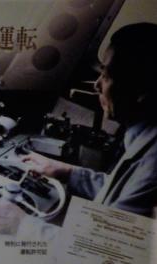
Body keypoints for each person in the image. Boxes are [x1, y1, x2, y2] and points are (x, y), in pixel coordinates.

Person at [22, 23, 157, 218]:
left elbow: (110, 233)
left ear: (141, 90)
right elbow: (120, 192)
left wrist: (19, 223)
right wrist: (66, 171)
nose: (97, 84)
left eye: (106, 75)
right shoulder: (145, 138)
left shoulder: (152, 162)